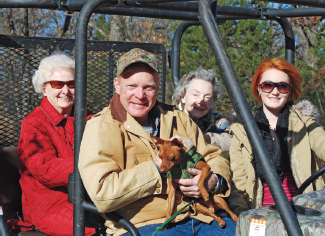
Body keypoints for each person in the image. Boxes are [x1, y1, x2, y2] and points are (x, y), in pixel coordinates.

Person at [78, 48, 236, 236]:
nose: (140, 95)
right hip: (145, 225)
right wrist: (156, 168)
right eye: (131, 86)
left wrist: (212, 180)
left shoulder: (178, 119)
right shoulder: (102, 126)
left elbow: (212, 156)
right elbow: (103, 193)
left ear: (158, 87)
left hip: (200, 216)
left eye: (148, 87)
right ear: (117, 85)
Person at [228, 57, 325, 216]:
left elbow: (322, 143)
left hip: (303, 212)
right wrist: (244, 218)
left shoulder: (306, 125)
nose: (275, 91)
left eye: (282, 86)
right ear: (259, 89)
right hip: (261, 214)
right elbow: (238, 185)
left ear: (289, 92)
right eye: (268, 85)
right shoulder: (242, 132)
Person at [16, 52, 95, 236]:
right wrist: (91, 165)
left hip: (86, 196)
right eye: (57, 84)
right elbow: (44, 168)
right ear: (44, 89)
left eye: (72, 84)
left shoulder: (88, 119)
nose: (65, 91)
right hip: (48, 204)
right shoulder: (34, 123)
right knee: (91, 230)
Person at [172, 67, 232, 159]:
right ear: (183, 96)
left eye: (207, 97)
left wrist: (205, 139)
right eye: (196, 95)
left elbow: (233, 140)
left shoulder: (216, 120)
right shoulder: (168, 116)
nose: (201, 101)